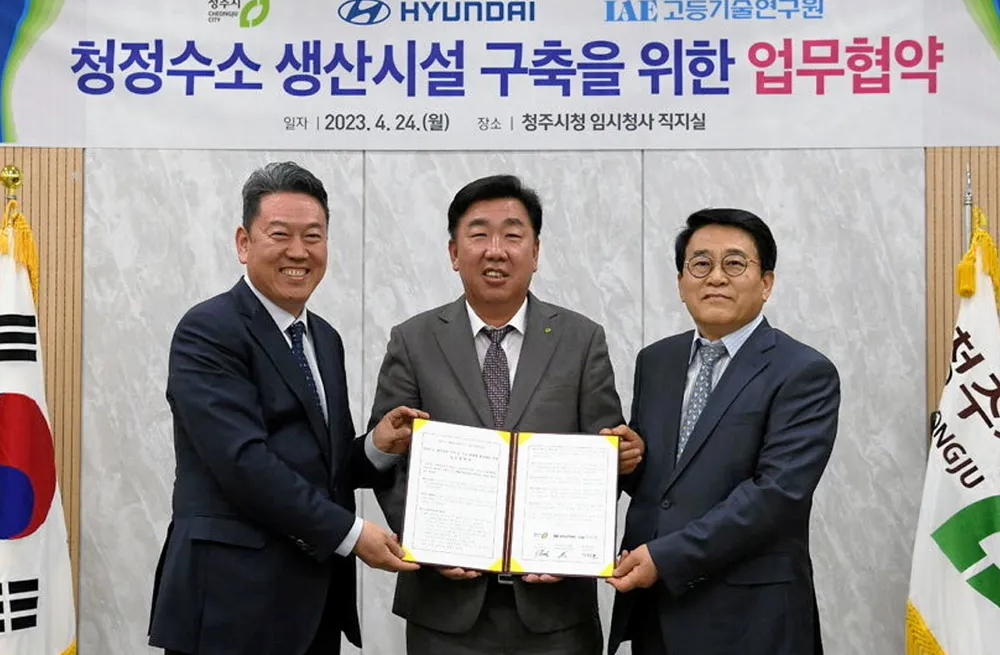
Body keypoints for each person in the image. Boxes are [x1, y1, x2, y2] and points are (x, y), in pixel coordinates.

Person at [147, 161, 423, 655]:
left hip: (313, 607)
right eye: (280, 234)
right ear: (243, 243)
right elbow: (243, 463)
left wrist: (377, 446)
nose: (299, 251)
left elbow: (322, 467)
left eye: (313, 236)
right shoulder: (208, 330)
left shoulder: (324, 338)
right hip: (230, 606)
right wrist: (352, 534)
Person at [367, 174, 643, 654]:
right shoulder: (412, 340)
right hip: (444, 611)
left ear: (535, 252)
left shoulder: (582, 340)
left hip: (556, 614)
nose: (495, 251)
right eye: (479, 234)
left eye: (512, 235)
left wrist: (575, 540)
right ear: (454, 252)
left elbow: (602, 458)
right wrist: (429, 542)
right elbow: (390, 461)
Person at [606, 207, 840, 655]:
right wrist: (628, 462)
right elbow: (670, 485)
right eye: (700, 264)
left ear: (766, 282)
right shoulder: (656, 361)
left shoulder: (803, 371)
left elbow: (776, 495)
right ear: (681, 283)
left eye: (734, 263)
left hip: (751, 619)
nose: (715, 277)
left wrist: (666, 557)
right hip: (658, 611)